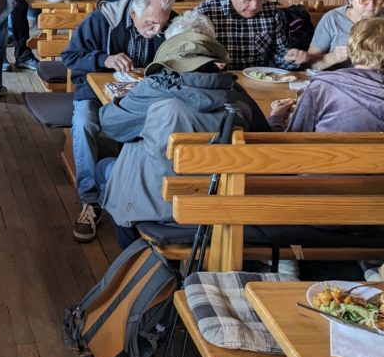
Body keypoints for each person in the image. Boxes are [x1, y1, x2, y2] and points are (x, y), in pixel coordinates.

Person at [98, 33, 269, 248]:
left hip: (157, 208)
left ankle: (132, 251)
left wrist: (128, 100)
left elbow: (111, 125)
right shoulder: (238, 97)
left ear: (170, 64)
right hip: (219, 206)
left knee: (104, 168)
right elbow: (262, 138)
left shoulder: (155, 90)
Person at [60, 0, 175, 242]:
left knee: (165, 124)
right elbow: (70, 56)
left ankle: (143, 197)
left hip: (145, 97)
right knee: (84, 122)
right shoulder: (103, 19)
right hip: (95, 91)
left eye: (162, 24)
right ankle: (90, 200)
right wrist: (104, 59)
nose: (157, 30)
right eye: (150, 23)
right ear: (133, 13)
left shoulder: (170, 24)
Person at [270, 18, 384, 132]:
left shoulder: (321, 87)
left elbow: (293, 137)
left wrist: (275, 117)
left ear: (351, 49)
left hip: (324, 153)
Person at [196, 0, 308, 70]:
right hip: (218, 79)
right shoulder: (206, 12)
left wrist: (289, 58)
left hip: (257, 78)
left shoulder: (271, 12)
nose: (255, 7)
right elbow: (192, 55)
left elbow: (278, 51)